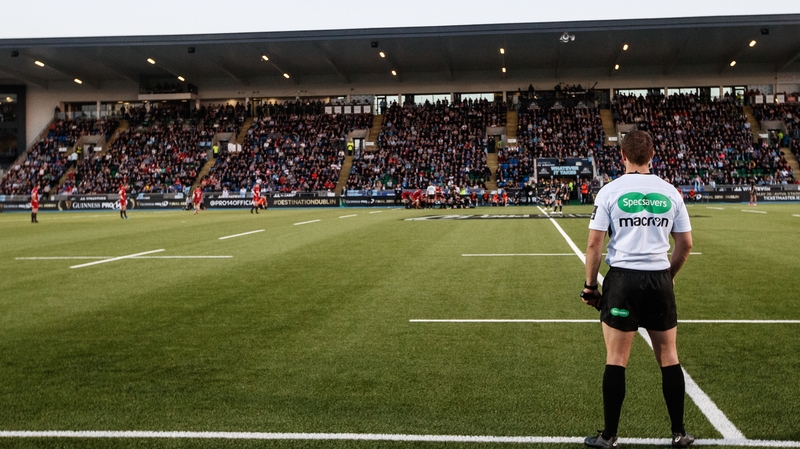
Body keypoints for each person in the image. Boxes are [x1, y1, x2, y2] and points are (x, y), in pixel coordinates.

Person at [582, 130, 694, 448]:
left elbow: (594, 245)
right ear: (652, 155)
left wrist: (591, 287)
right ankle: (679, 433)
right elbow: (685, 245)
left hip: (622, 281)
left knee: (616, 358)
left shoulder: (610, 191)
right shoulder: (670, 191)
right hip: (659, 279)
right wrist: (668, 276)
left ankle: (609, 436)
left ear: (623, 156)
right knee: (669, 356)